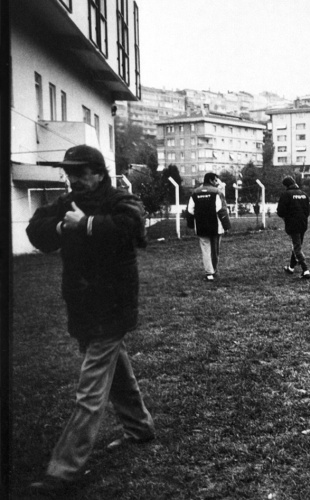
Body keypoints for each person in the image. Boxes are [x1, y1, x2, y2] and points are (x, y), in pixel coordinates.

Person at [25, 145, 155, 495]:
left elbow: (132, 227)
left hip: (113, 306)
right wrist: (63, 227)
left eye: (82, 173)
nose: (76, 180)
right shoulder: (66, 203)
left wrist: (86, 224)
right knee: (116, 369)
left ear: (100, 173)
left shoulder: (119, 199)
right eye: (71, 174)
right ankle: (140, 427)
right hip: (83, 305)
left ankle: (64, 469)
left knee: (90, 388)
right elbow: (36, 230)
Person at [186, 172, 231, 281]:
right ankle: (214, 270)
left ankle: (209, 273)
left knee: (205, 249)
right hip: (216, 227)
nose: (216, 182)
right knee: (215, 250)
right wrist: (226, 226)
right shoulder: (217, 192)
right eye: (215, 180)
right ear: (211, 180)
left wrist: (191, 225)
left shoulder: (195, 192)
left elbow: (190, 210)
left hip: (201, 226)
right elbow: (221, 210)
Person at [277, 175, 310, 279]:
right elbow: (308, 209)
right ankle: (291, 268)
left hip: (292, 224)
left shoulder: (286, 195)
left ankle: (305, 270)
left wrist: (287, 217)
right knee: (297, 244)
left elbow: (280, 211)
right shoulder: (304, 194)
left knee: (296, 247)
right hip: (303, 223)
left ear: (286, 185)